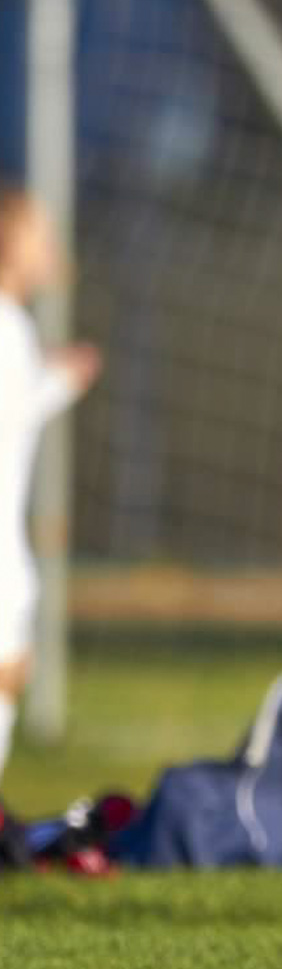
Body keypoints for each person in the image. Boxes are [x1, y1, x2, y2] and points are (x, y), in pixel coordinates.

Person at [0, 190, 100, 786]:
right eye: (41, 236)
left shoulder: (14, 328)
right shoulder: (8, 325)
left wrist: (54, 375)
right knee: (10, 669)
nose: (53, 248)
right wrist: (60, 378)